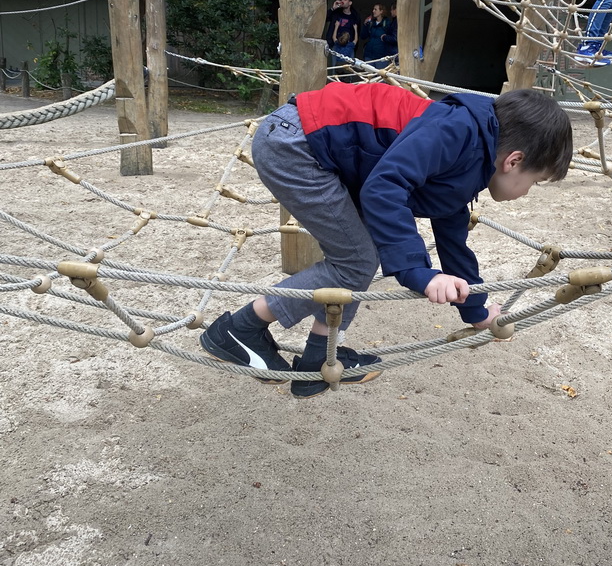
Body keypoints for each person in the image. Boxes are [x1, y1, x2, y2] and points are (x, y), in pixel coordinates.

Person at [200, 83, 572, 400]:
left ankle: (319, 356)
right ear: (514, 161)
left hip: (314, 147)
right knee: (357, 260)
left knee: (363, 254)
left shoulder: (476, 154)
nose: (526, 192)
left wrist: (477, 312)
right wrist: (419, 273)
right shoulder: (458, 132)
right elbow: (385, 187)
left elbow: (452, 237)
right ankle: (240, 328)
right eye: (534, 181)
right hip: (296, 144)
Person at [325, 0, 360, 79]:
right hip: (336, 46)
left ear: (350, 3)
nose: (342, 1)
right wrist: (333, 8)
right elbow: (325, 18)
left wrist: (354, 46)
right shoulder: (336, 13)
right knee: (335, 70)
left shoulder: (354, 16)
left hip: (349, 47)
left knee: (349, 71)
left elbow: (357, 31)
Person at [361, 3, 397, 67]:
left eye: (375, 9)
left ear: (381, 11)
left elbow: (392, 37)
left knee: (380, 75)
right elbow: (363, 36)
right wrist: (365, 25)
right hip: (369, 55)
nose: (373, 11)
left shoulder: (387, 23)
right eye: (373, 9)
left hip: (381, 56)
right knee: (369, 76)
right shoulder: (371, 23)